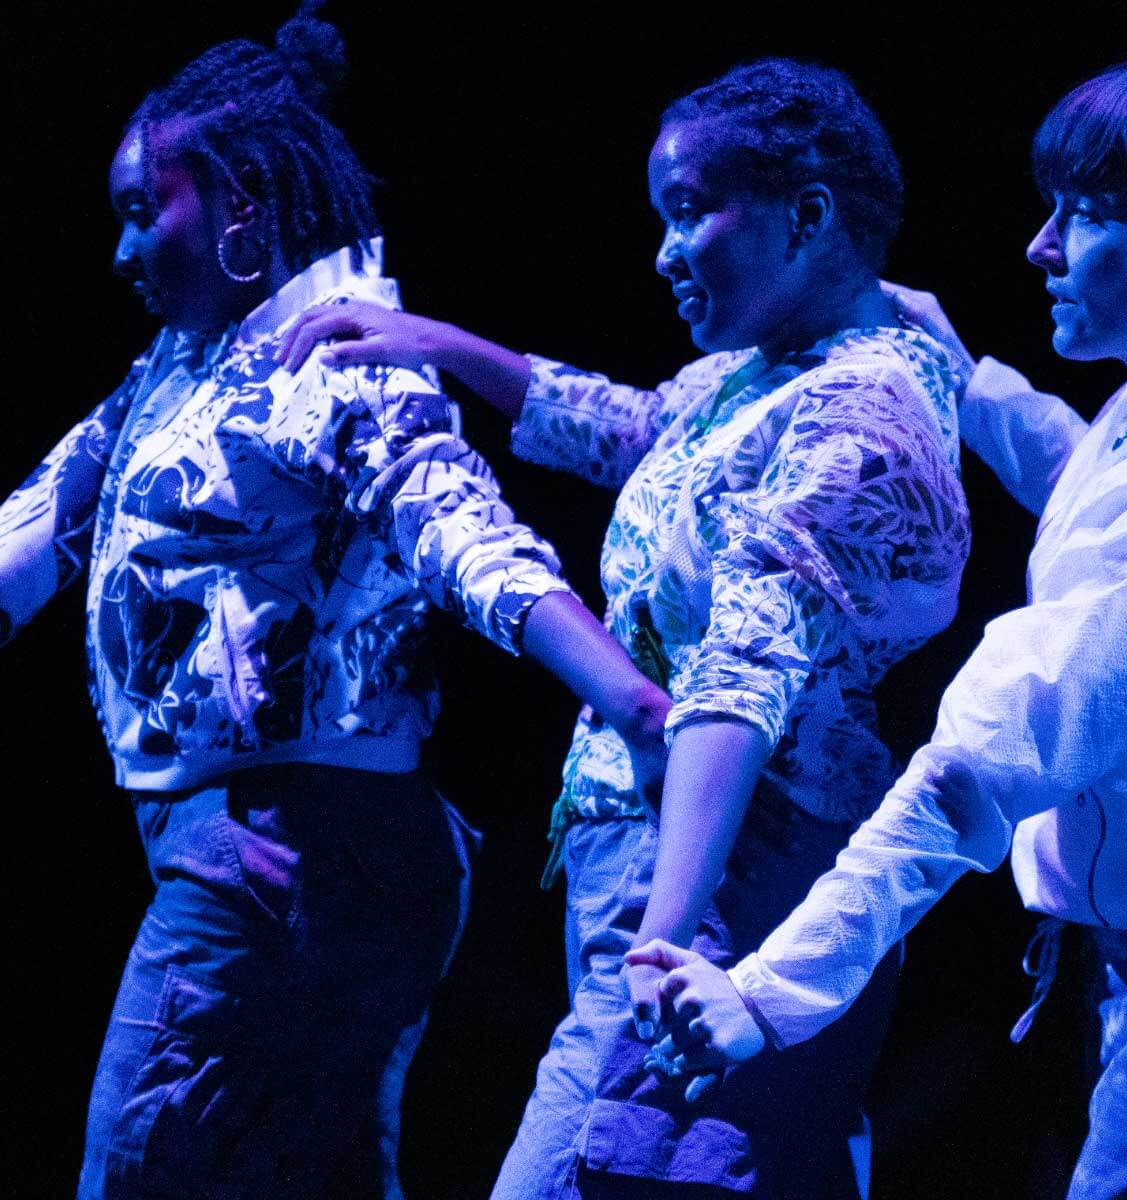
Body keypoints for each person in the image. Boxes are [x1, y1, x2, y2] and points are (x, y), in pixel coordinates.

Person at [0, 9, 672, 1199]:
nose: (119, 254)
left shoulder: (332, 351)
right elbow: (35, 527)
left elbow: (462, 532)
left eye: (140, 211)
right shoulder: (183, 362)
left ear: (244, 203)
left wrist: (627, 695)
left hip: (295, 848)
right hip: (267, 850)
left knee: (144, 1170)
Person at [281, 59, 971, 1198]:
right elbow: (640, 424)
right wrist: (444, 348)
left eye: (691, 211)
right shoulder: (757, 377)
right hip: (678, 875)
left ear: (808, 216)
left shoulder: (862, 414)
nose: (661, 251)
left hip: (729, 875)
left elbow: (745, 677)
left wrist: (664, 939)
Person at [627, 51, 1127, 1200]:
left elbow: (972, 772)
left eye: (1086, 216)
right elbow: (1082, 477)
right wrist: (971, 377)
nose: (1040, 246)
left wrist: (768, 992)